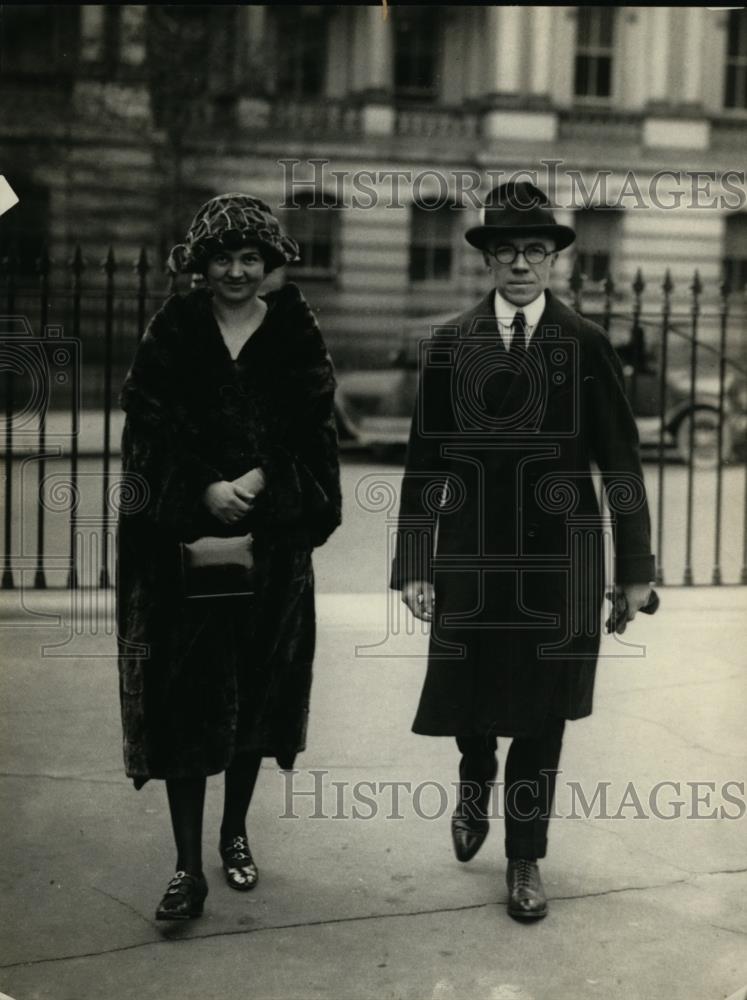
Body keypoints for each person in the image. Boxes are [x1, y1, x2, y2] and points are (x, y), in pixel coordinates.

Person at [390, 180, 655, 921]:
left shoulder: (586, 344)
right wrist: (413, 563)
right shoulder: (450, 345)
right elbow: (423, 465)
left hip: (562, 564)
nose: (519, 264)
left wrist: (634, 572)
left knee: (543, 718)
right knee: (472, 703)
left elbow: (621, 465)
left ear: (552, 261)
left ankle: (524, 858)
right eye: (505, 250)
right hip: (471, 557)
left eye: (534, 250)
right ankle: (474, 773)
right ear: (486, 261)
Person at [116, 193, 342, 920]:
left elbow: (314, 440)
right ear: (200, 267)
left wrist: (256, 481)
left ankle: (234, 833)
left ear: (271, 264)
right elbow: (147, 437)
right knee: (187, 700)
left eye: (251, 257)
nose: (238, 270)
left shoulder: (296, 337)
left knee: (255, 693)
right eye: (223, 258)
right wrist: (199, 492)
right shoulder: (174, 332)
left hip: (272, 550)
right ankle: (187, 868)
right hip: (184, 550)